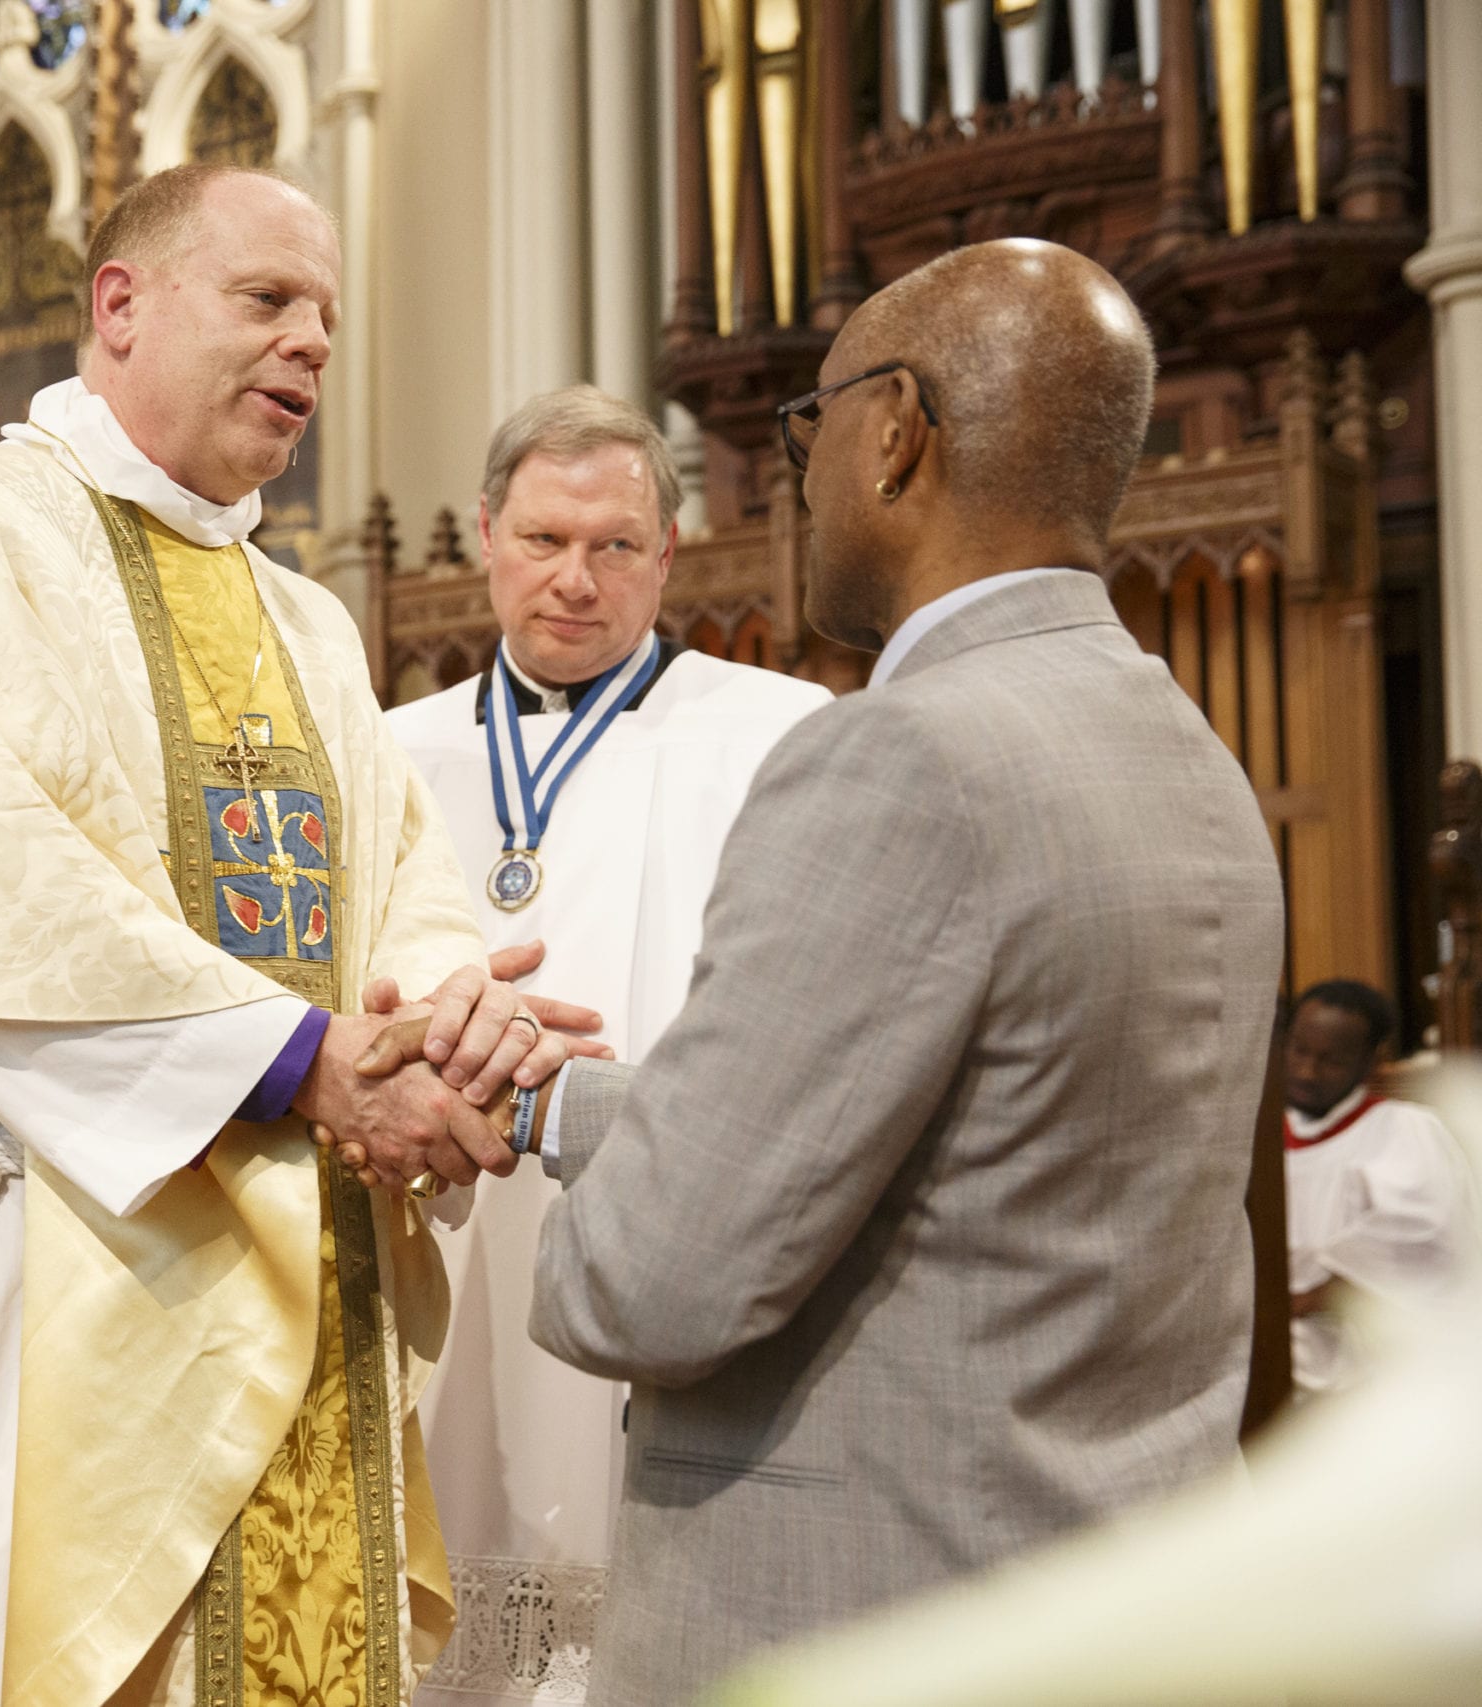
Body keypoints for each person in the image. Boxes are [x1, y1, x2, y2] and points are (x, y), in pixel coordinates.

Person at [0, 163, 586, 1707]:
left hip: (304, 1262)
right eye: (270, 299)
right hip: (55, 1264)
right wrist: (307, 1059)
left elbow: (397, 877)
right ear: (120, 305)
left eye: (329, 320)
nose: (311, 347)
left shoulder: (304, 620)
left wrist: (448, 1018)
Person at [357, 238, 1287, 1701]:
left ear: (899, 432)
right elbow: (951, 1133)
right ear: (486, 537)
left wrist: (583, 1187)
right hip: (1101, 1572)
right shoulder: (1188, 750)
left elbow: (649, 1280)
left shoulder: (885, 752)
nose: (800, 468)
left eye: (818, 423)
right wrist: (550, 1098)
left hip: (876, 1596)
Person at [383, 385, 827, 1700]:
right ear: (483, 535)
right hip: (437, 1217)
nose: (575, 579)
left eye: (616, 545)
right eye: (542, 540)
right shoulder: (384, 751)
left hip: (652, 1212)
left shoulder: (776, 732)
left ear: (669, 552)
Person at [1282, 979, 1473, 1395]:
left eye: (1330, 1060)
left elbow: (1425, 1238)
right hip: (1273, 1355)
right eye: (1299, 1049)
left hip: (1368, 1370)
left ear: (1370, 1061)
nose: (1306, 1071)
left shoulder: (1404, 1129)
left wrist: (1301, 1302)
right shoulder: (1256, 1141)